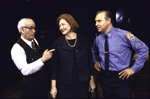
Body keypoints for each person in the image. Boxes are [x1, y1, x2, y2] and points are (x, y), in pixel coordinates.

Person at [92, 10, 149, 98]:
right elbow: (94, 52)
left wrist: (133, 69)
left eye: (99, 21)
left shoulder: (126, 34)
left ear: (108, 20)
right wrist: (96, 61)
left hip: (122, 80)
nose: (96, 24)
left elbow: (143, 48)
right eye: (95, 21)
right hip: (105, 81)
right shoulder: (98, 39)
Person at [50, 14, 95, 98]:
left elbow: (89, 62)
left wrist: (91, 81)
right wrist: (53, 86)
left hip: (83, 83)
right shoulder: (57, 43)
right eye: (59, 26)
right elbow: (54, 67)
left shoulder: (84, 40)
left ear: (71, 23)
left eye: (63, 24)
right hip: (64, 85)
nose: (60, 28)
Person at [11, 18, 55, 98]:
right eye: (30, 28)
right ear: (22, 29)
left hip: (41, 83)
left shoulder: (34, 40)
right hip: (30, 87)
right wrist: (42, 60)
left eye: (34, 28)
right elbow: (24, 70)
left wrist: (43, 55)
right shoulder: (17, 48)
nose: (34, 31)